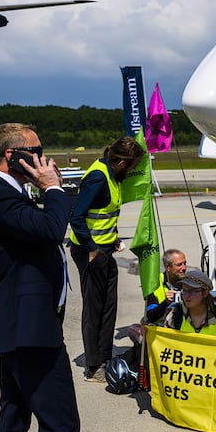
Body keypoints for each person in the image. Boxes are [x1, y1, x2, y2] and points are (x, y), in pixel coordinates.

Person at [0, 123, 80, 432]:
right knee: (60, 422)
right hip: (28, 326)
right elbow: (50, 229)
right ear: (11, 155)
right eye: (35, 152)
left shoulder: (6, 191)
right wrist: (53, 189)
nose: (43, 159)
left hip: (20, 322)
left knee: (15, 412)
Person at [68, 136, 145, 383]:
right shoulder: (98, 177)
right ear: (122, 162)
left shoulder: (112, 175)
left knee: (109, 306)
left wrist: (113, 240)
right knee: (94, 309)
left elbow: (101, 216)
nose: (133, 171)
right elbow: (77, 216)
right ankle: (93, 366)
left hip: (104, 250)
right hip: (90, 252)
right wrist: (92, 250)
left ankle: (105, 355)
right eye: (132, 166)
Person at [128, 248, 189, 346]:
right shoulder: (155, 284)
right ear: (168, 267)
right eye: (179, 265)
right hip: (161, 331)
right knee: (134, 329)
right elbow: (150, 316)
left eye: (185, 263)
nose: (184, 267)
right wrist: (166, 303)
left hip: (184, 331)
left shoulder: (191, 282)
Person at [161, 269, 216, 337]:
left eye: (191, 291)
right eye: (184, 291)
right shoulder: (175, 314)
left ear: (205, 293)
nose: (187, 296)